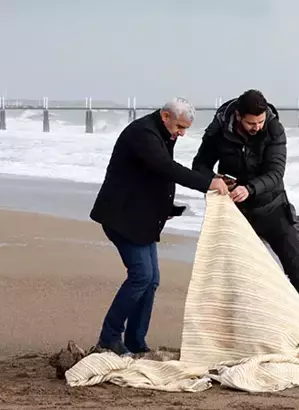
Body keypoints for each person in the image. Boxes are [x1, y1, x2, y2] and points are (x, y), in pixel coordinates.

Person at [89, 97, 229, 356]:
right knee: (141, 276)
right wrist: (207, 182)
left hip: (141, 217)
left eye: (186, 128)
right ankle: (109, 337)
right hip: (122, 217)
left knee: (151, 280)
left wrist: (168, 208)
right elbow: (165, 168)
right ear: (165, 116)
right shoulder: (143, 134)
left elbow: (151, 177)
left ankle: (135, 340)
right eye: (179, 127)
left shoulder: (164, 133)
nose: (182, 133)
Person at [191, 89, 299, 313]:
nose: (257, 127)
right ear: (238, 116)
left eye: (260, 121)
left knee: (297, 271)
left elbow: (276, 173)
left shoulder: (274, 128)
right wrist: (213, 179)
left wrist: (250, 189)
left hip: (273, 207)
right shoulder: (219, 128)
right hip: (235, 213)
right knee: (236, 276)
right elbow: (200, 165)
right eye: (251, 123)